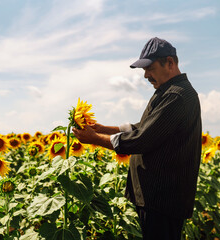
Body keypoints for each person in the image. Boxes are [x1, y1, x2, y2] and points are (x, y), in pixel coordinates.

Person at [72, 37, 202, 240]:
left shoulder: (176, 95)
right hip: (158, 198)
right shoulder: (168, 91)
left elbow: (142, 139)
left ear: (170, 62)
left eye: (149, 68)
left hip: (162, 199)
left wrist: (95, 138)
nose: (145, 75)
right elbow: (144, 127)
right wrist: (103, 129)